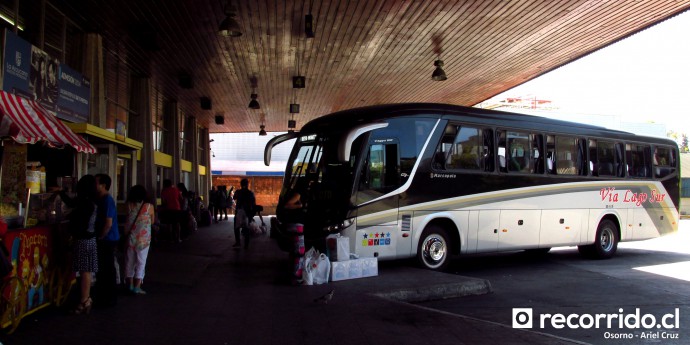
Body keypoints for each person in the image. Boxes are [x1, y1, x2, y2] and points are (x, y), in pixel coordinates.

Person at [59, 175, 98, 314]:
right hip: (89, 239)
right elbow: (71, 203)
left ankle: (85, 300)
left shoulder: (86, 203)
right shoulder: (90, 202)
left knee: (84, 271)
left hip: (83, 240)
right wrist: (61, 192)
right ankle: (85, 299)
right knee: (85, 271)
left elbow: (77, 218)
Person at [94, 173, 119, 308]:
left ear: (103, 186)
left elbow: (108, 223)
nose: (94, 185)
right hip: (105, 238)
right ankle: (104, 295)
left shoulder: (107, 200)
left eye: (96, 182)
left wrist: (101, 236)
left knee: (107, 268)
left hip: (108, 239)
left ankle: (109, 297)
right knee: (103, 268)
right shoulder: (99, 199)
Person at [124, 185, 154, 295]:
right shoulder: (149, 206)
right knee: (141, 262)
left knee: (129, 261)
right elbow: (152, 222)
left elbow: (128, 220)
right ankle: (137, 287)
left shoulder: (129, 205)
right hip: (144, 240)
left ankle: (129, 285)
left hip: (131, 237)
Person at [233, 179, 256, 249]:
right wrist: (251, 215)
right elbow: (253, 204)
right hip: (247, 213)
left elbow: (234, 198)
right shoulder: (250, 193)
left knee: (236, 228)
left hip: (239, 212)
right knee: (246, 228)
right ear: (247, 184)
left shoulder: (238, 192)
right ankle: (246, 245)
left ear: (240, 184)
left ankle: (238, 242)